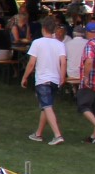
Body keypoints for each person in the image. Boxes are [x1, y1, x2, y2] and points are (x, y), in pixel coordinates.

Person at [21, 16, 68, 145]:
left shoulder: (37, 43)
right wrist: (62, 77)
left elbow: (31, 63)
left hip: (42, 79)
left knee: (47, 106)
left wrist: (24, 77)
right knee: (46, 106)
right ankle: (38, 133)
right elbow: (63, 62)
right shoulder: (60, 44)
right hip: (55, 79)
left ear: (43, 29)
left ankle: (57, 135)